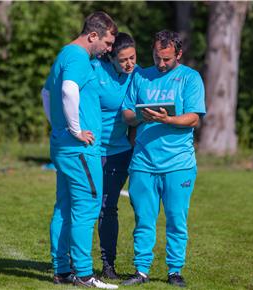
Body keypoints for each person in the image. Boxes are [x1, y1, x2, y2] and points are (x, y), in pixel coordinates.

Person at [120, 30, 206, 288]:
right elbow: (126, 114)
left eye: (166, 59)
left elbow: (194, 118)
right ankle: (141, 270)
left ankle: (174, 271)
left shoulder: (190, 78)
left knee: (176, 220)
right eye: (157, 57)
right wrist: (139, 117)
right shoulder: (140, 76)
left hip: (178, 165)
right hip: (143, 164)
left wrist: (167, 119)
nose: (161, 63)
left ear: (178, 54)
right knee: (143, 220)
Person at [41, 11, 119, 289]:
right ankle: (84, 274)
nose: (109, 49)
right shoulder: (77, 57)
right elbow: (68, 91)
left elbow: (46, 94)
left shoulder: (63, 54)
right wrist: (74, 129)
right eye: (108, 43)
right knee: (87, 208)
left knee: (64, 206)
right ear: (93, 35)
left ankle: (62, 270)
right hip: (80, 149)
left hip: (64, 147)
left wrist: (59, 127)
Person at [91, 32, 139, 279]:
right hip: (92, 151)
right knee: (87, 207)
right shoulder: (94, 68)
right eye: (123, 60)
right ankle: (69, 262)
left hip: (120, 152)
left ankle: (108, 265)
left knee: (108, 207)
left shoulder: (137, 75)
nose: (129, 64)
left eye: (132, 58)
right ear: (111, 58)